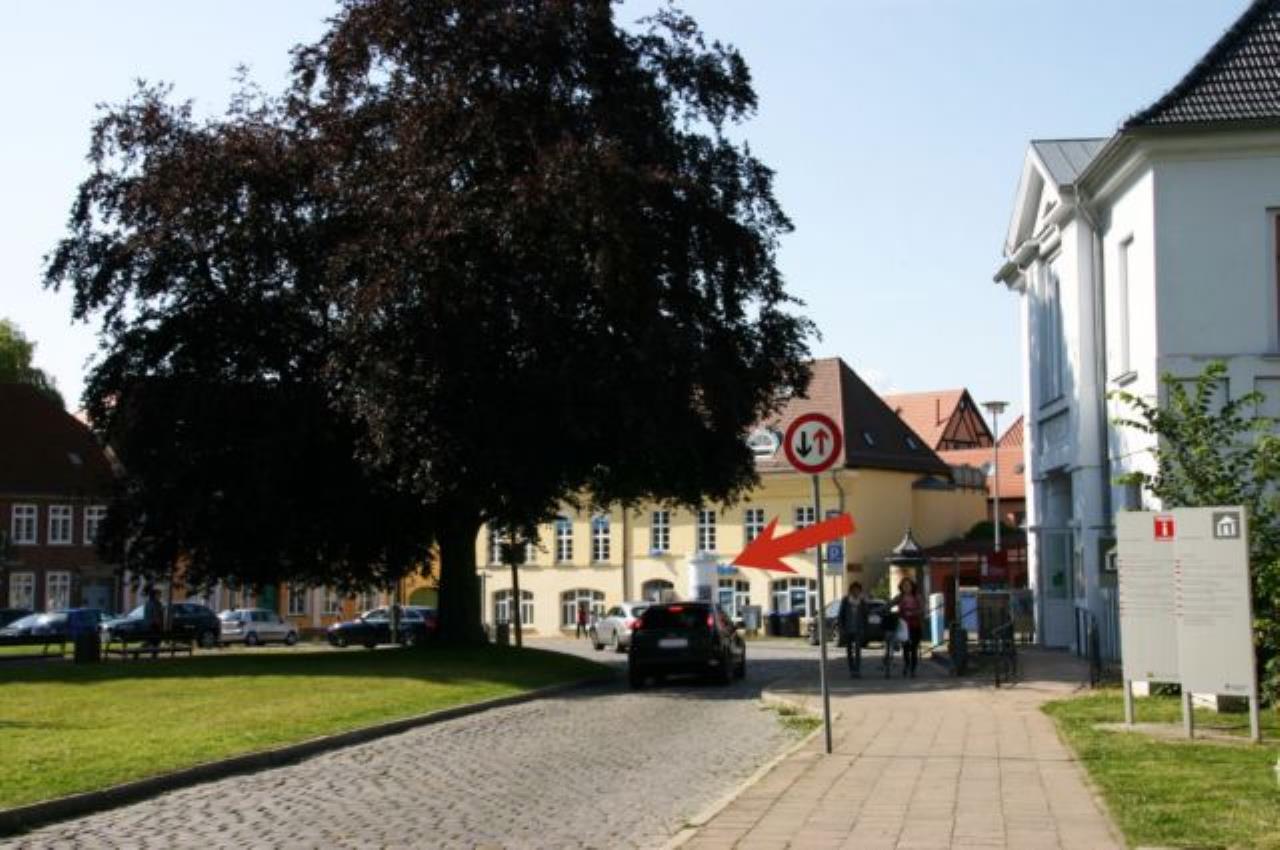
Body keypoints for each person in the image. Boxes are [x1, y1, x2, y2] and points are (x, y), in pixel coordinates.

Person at [890, 577, 924, 678]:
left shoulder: (917, 596)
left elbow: (922, 609)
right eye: (904, 586)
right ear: (901, 587)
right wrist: (881, 610)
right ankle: (906, 665)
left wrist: (913, 613)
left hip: (915, 625)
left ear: (912, 586)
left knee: (914, 648)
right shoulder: (899, 597)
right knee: (905, 648)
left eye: (908, 585)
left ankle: (913, 669)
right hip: (903, 626)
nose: (906, 587)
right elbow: (889, 604)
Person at [837, 581, 868, 678]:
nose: (856, 592)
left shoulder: (862, 601)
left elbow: (865, 614)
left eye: (858, 590)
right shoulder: (846, 600)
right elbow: (841, 615)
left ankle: (857, 670)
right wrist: (841, 628)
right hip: (848, 628)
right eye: (854, 590)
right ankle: (851, 669)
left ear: (860, 591)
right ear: (850, 591)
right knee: (849, 650)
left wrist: (864, 602)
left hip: (858, 629)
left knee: (858, 650)